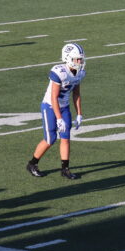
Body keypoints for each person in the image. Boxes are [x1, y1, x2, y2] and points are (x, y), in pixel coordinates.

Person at [27, 43, 86, 180]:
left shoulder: (80, 73)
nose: (80, 61)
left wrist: (79, 114)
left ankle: (65, 169)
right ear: (68, 58)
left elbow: (76, 94)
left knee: (65, 137)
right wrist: (59, 118)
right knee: (50, 139)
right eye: (77, 59)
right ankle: (32, 164)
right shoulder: (59, 72)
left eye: (81, 59)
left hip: (64, 107)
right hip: (49, 107)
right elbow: (54, 97)